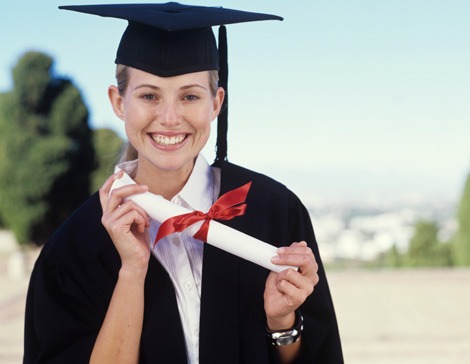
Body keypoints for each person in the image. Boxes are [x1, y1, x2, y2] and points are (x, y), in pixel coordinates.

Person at [24, 3, 343, 364]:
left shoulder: (273, 210)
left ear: (216, 103)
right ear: (118, 101)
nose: (170, 118)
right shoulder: (76, 246)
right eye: (149, 96)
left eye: (190, 96)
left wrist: (281, 322)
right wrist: (132, 272)